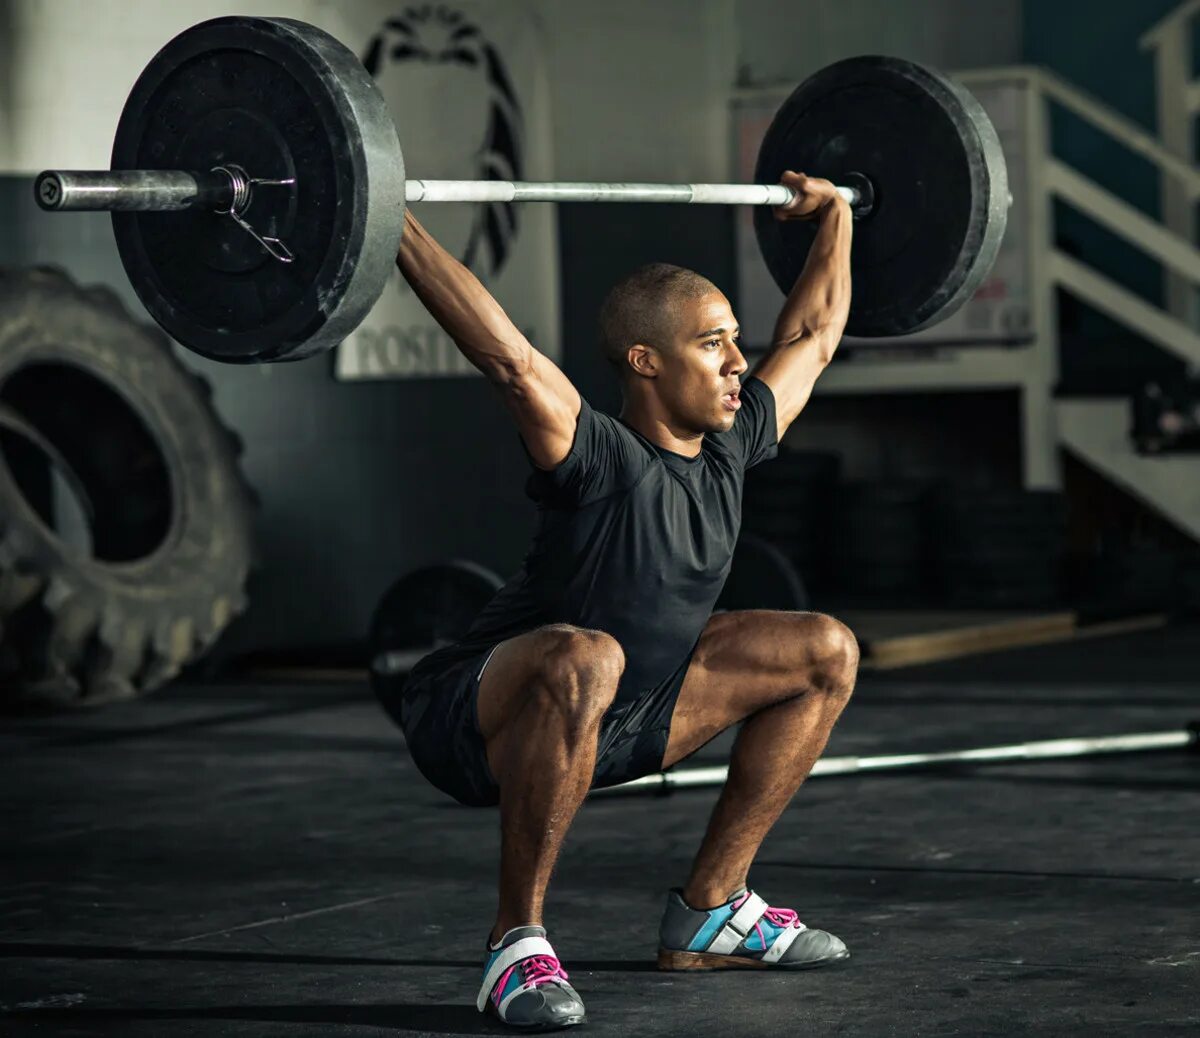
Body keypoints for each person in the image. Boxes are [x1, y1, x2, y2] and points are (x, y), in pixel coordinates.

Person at [384, 170, 857, 1031]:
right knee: (587, 654)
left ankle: (713, 910)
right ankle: (513, 945)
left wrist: (836, 217)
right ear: (646, 361)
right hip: (471, 714)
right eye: (713, 344)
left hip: (624, 717)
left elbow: (817, 334)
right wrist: (387, 218)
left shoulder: (732, 442)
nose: (739, 364)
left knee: (825, 648)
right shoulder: (596, 453)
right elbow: (505, 355)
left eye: (736, 341)